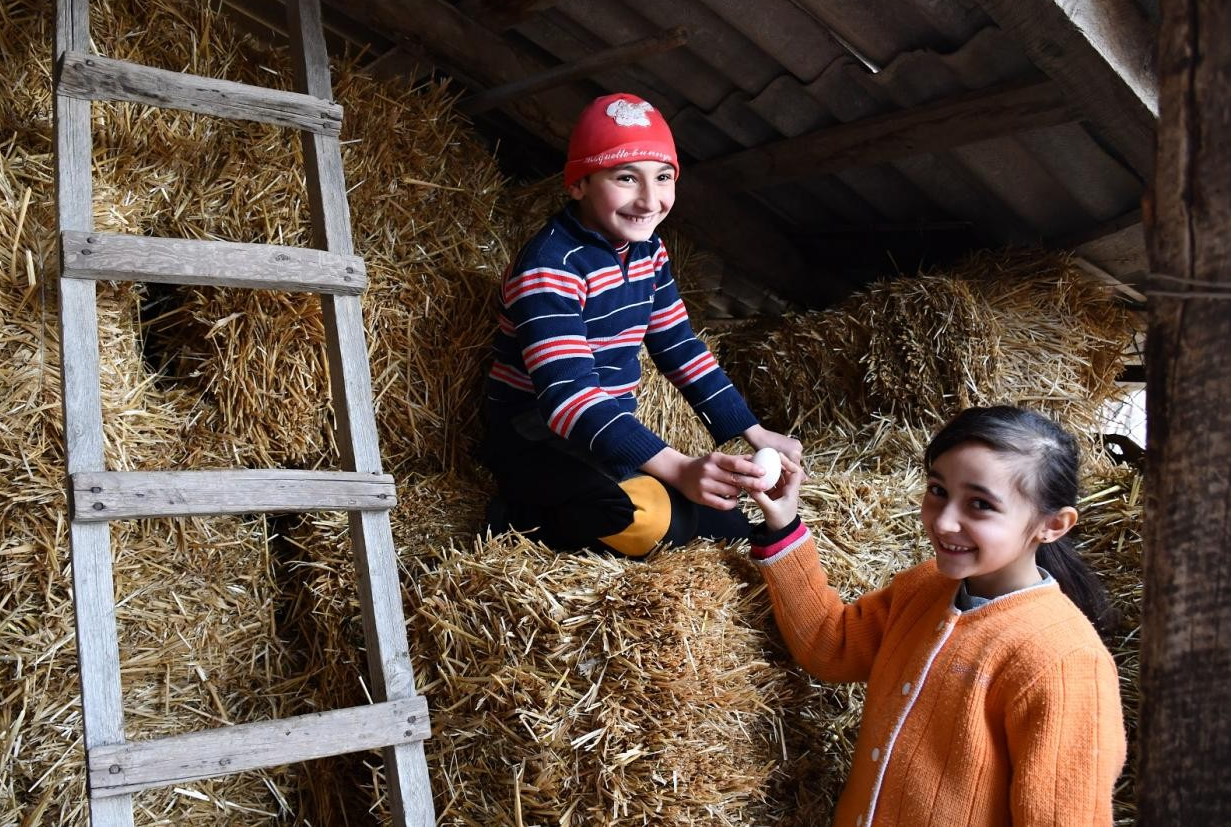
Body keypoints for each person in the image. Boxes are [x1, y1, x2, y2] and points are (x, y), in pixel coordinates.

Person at [747, 406, 1126, 826]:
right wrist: (783, 525)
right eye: (938, 490)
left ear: (1053, 525)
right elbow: (832, 647)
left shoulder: (1062, 661)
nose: (944, 522)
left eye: (980, 504)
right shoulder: (924, 588)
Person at [481, 92, 801, 557]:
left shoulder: (650, 252)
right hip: (536, 436)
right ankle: (517, 516)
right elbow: (570, 400)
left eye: (664, 177)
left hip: (605, 429)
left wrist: (753, 431)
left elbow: (680, 347)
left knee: (726, 521)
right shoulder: (550, 266)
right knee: (645, 522)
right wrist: (680, 468)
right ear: (579, 184)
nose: (650, 200)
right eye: (626, 178)